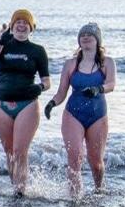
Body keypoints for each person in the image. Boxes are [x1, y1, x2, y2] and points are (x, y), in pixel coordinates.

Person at [44, 23, 117, 195]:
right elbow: (62, 92)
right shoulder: (70, 64)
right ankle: (74, 198)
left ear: (97, 40)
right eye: (82, 35)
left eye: (89, 35)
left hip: (98, 115)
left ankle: (100, 190)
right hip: (73, 114)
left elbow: (112, 84)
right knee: (75, 158)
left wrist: (98, 89)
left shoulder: (107, 62)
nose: (85, 37)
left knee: (96, 162)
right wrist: (51, 104)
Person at [0, 9, 50, 196]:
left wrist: (39, 88)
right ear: (12, 26)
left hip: (27, 105)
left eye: (25, 22)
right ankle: (16, 188)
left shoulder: (37, 51)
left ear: (31, 28)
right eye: (18, 22)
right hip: (1, 104)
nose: (21, 25)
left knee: (19, 150)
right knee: (8, 151)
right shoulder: (3, 46)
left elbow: (47, 82)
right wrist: (1, 40)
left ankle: (20, 193)